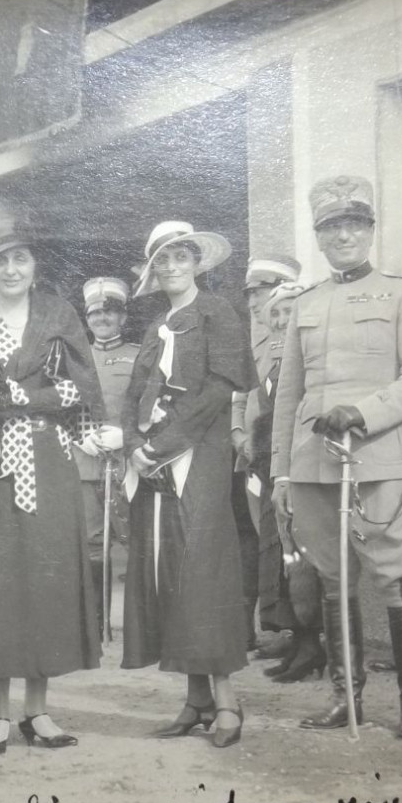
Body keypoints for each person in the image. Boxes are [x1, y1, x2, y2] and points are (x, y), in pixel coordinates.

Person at [271, 176, 402, 739]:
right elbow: (288, 395)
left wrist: (363, 413)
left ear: (369, 231)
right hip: (314, 466)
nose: (342, 235)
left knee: (397, 578)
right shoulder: (306, 303)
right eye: (331, 227)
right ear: (319, 238)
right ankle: (347, 698)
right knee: (332, 581)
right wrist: (280, 469)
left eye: (353, 225)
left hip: (382, 458)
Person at [0, 221, 109, 753]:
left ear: (34, 265)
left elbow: (82, 386)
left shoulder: (59, 314)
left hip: (49, 456)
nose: (12, 271)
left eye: (21, 260)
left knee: (46, 582)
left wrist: (24, 400)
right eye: (1, 263)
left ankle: (37, 712)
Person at [121, 221, 257, 748]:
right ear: (153, 270)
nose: (173, 266)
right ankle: (196, 700)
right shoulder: (158, 323)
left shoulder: (217, 313)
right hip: (154, 463)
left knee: (204, 571)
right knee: (169, 570)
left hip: (197, 457)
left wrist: (165, 443)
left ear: (198, 262)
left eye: (182, 256)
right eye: (163, 259)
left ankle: (227, 704)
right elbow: (136, 392)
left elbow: (221, 388)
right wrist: (135, 442)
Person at [240, 273, 329, 685]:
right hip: (274, 464)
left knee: (306, 555)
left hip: (307, 461)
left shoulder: (316, 352)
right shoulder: (274, 356)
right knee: (283, 553)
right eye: (274, 313)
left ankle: (316, 647)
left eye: (288, 311)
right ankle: (301, 642)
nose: (280, 319)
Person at [230, 254, 302, 664]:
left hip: (288, 457)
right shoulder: (254, 343)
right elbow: (239, 397)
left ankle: (292, 628)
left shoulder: (299, 336)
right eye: (252, 295)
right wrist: (238, 433)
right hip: (252, 459)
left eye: (260, 292)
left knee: (286, 539)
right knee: (257, 539)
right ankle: (265, 627)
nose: (254, 303)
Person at [74, 276, 139, 577]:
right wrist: (78, 436)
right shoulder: (74, 359)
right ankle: (98, 623)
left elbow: (149, 408)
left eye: (109, 311)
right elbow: (63, 408)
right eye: (94, 313)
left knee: (135, 540)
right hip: (86, 465)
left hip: (127, 464)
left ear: (123, 316)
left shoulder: (139, 356)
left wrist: (127, 437)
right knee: (92, 545)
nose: (101, 318)